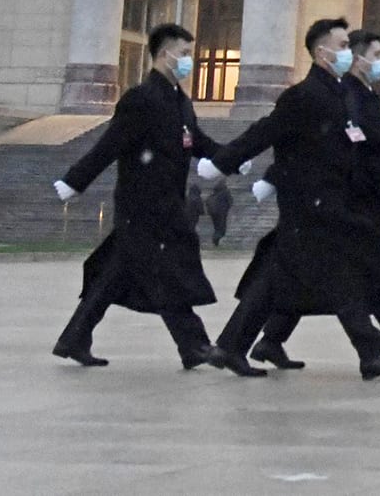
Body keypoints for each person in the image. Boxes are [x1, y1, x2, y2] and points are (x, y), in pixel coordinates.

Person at [204, 18, 380, 379]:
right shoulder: (304, 95)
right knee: (341, 275)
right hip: (309, 203)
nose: (347, 53)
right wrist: (223, 160)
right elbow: (267, 132)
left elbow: (360, 140)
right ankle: (371, 352)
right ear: (321, 52)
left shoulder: (340, 94)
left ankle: (231, 346)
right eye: (342, 46)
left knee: (275, 278)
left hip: (330, 200)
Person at [49, 23, 243, 371]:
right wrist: (75, 181)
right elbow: (109, 145)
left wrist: (230, 158)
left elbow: (196, 142)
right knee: (168, 273)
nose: (189, 60)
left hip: (167, 205)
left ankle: (73, 339)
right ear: (165, 55)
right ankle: (195, 345)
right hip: (141, 207)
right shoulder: (141, 100)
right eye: (184, 54)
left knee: (112, 275)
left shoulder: (179, 101)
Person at [203, 177, 231, 248]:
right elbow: (230, 201)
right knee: (222, 228)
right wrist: (226, 208)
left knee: (217, 227)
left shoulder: (215, 191)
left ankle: (216, 243)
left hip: (213, 213)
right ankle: (215, 240)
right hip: (222, 213)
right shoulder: (226, 192)